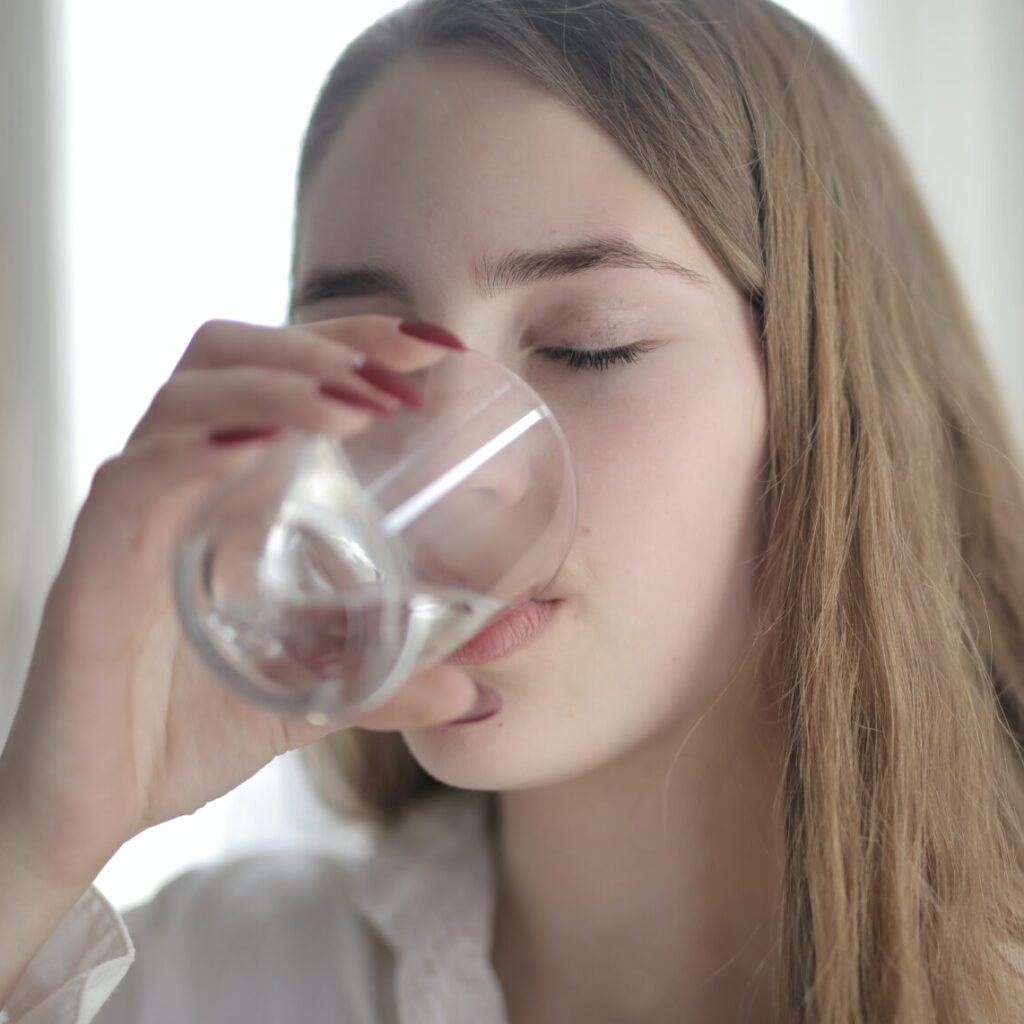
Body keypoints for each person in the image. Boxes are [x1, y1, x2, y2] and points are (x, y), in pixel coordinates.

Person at [2, 0, 1023, 1020]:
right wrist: (38, 835)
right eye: (364, 367)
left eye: (591, 343)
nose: (455, 466)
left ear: (829, 400)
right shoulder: (217, 980)